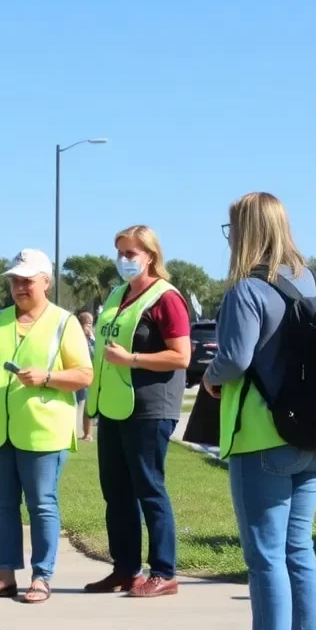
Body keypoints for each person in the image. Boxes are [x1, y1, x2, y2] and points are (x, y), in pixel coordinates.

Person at [203, 192, 316, 630]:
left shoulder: (247, 291)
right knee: (299, 549)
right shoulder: (313, 281)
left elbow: (234, 359)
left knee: (265, 556)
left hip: (263, 437)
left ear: (246, 232)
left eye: (231, 228)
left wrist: (211, 378)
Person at [0, 249, 93, 603]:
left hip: (43, 433)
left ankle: (42, 576)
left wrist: (48, 376)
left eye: (27, 280)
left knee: (42, 504)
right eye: (14, 280)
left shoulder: (64, 322)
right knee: (2, 505)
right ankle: (5, 575)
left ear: (46, 282)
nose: (19, 287)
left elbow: (85, 374)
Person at [84, 225, 191, 598]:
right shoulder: (117, 295)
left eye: (131, 253)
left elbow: (182, 356)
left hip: (149, 409)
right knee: (116, 492)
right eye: (120, 253)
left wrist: (133, 358)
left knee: (149, 489)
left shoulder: (166, 298)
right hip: (112, 407)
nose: (124, 260)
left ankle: (163, 571)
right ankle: (125, 569)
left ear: (151, 256)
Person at [75, 309, 97, 441]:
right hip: (75, 373)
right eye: (86, 323)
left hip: (89, 375)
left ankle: (88, 434)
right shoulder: (74, 336)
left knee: (88, 406)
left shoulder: (93, 339)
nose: (88, 326)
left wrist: (91, 338)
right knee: (74, 403)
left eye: (90, 323)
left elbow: (95, 354)